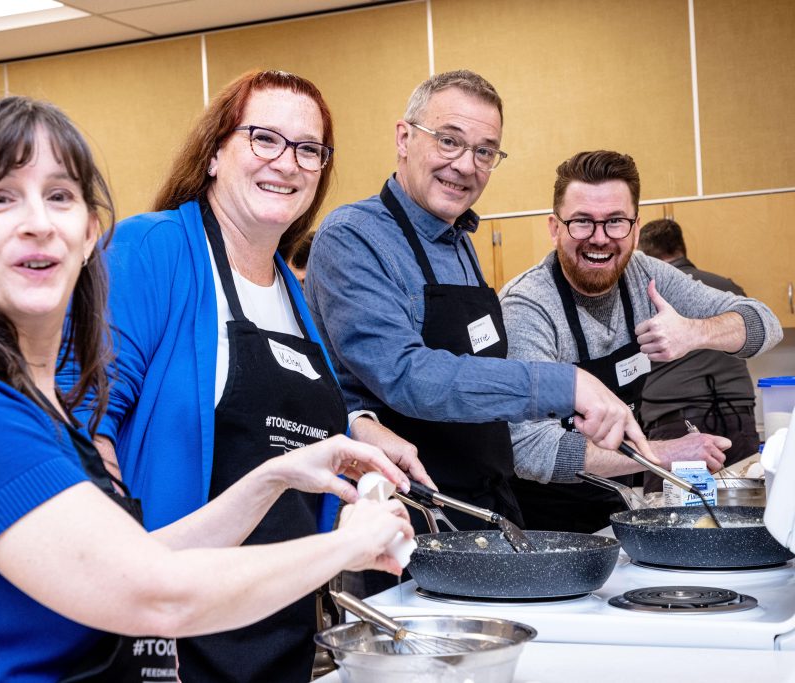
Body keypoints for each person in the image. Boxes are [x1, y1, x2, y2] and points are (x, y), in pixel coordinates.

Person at [0, 96, 414, 683]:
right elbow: (154, 594)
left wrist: (278, 476)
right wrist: (348, 547)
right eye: (0, 197)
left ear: (91, 233)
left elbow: (136, 560)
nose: (38, 222)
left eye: (60, 196)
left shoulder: (37, 402)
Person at [58, 71, 428, 683]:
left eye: (309, 149)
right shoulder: (153, 251)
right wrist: (126, 573)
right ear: (212, 154)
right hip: (174, 631)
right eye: (264, 138)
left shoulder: (291, 291)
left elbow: (291, 428)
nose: (287, 163)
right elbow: (80, 418)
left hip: (278, 626)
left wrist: (357, 430)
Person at [305, 70, 651, 541]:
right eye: (449, 141)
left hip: (487, 504)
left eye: (485, 151)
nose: (466, 165)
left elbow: (480, 370)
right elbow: (409, 377)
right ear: (404, 138)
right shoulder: (352, 237)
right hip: (409, 516)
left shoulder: (460, 241)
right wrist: (566, 382)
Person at [499, 150, 782, 532]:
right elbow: (529, 449)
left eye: (615, 221)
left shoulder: (645, 277)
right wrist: (659, 454)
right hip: (542, 521)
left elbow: (766, 324)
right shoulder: (529, 306)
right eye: (582, 222)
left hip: (614, 502)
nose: (599, 239)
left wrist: (695, 332)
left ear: (635, 227)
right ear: (554, 227)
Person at [637, 218, 762, 491]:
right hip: (739, 418)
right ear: (682, 248)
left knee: (669, 522)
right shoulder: (726, 289)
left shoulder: (647, 295)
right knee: (746, 515)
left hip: (675, 424)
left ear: (644, 256)